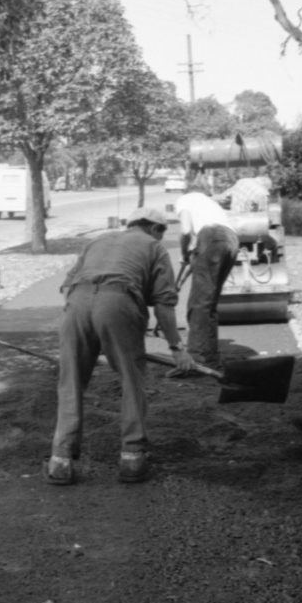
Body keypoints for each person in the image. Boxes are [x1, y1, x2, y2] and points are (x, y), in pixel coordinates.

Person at [46, 207, 191, 486]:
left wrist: (88, 332)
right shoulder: (153, 247)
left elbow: (66, 287)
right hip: (118, 301)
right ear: (156, 229)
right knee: (131, 379)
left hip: (76, 304)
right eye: (162, 233)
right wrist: (177, 348)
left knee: (71, 382)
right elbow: (163, 303)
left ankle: (60, 462)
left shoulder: (98, 241)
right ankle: (132, 458)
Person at [173, 182, 240, 372]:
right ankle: (209, 357)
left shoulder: (185, 199)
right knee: (209, 301)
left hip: (212, 236)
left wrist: (184, 253)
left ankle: (197, 359)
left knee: (199, 303)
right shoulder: (209, 203)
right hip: (232, 240)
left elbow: (186, 230)